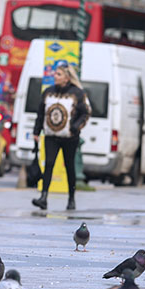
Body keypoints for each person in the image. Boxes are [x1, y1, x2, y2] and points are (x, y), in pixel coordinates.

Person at [31, 62, 89, 211]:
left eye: (58, 74)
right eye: (55, 74)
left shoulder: (77, 93)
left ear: (67, 78)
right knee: (49, 164)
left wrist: (75, 127)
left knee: (69, 167)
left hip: (70, 137)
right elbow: (41, 112)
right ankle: (43, 197)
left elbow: (86, 112)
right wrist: (36, 131)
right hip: (51, 135)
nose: (55, 76)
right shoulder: (48, 92)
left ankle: (71, 198)